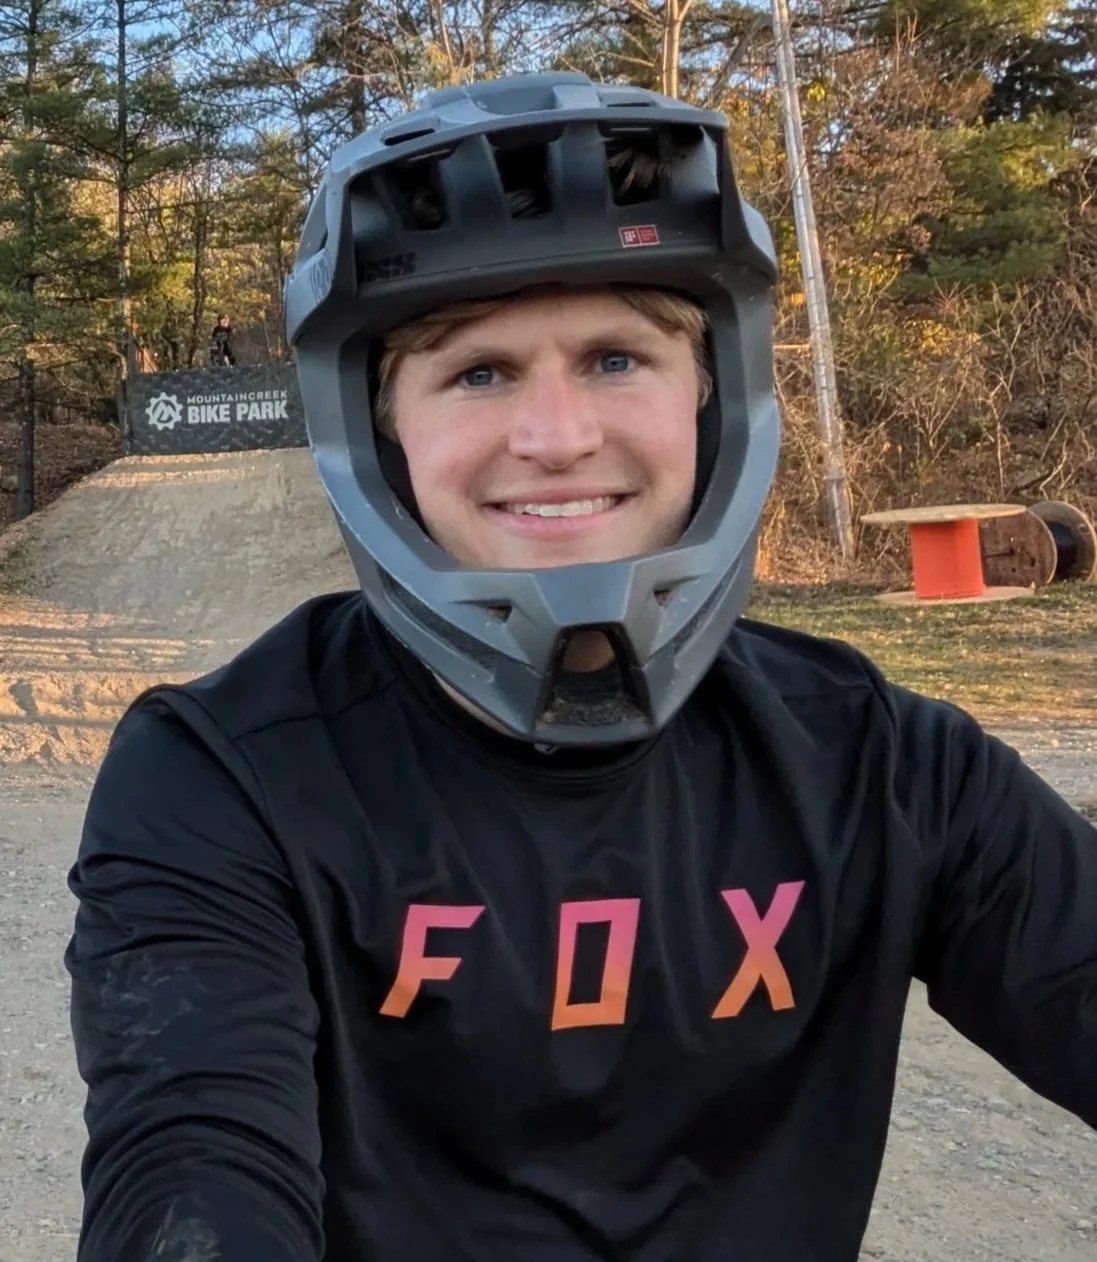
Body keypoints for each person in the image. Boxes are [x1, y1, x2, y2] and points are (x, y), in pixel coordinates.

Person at [65, 73, 1096, 1262]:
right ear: (378, 422)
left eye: (615, 356)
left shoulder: (878, 760)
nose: (555, 437)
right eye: (478, 371)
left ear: (712, 390)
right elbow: (190, 1163)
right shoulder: (221, 777)